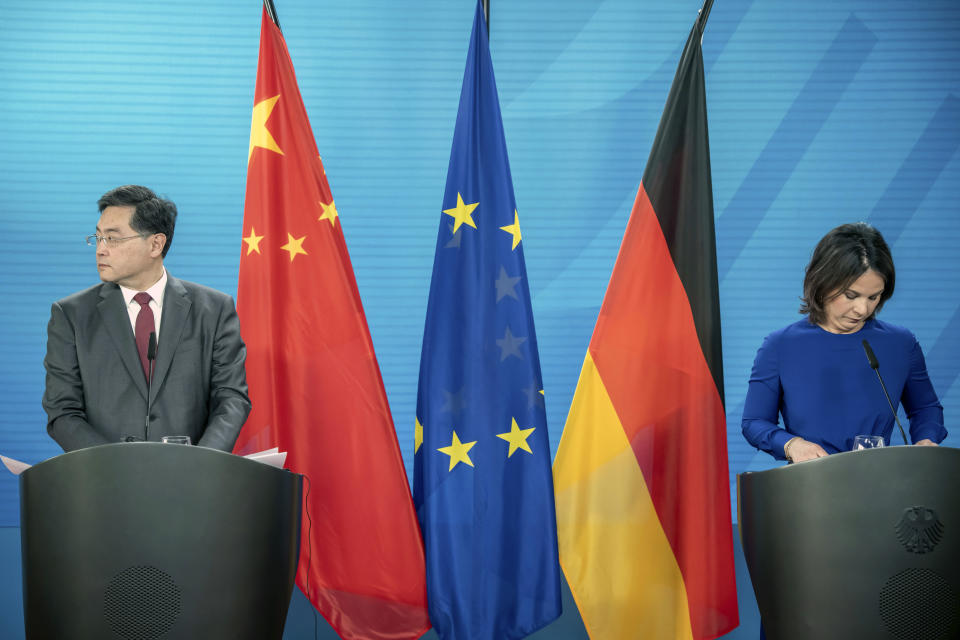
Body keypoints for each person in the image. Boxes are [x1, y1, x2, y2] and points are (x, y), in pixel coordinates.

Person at [42, 185, 251, 452]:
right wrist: (112, 466)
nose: (100, 250)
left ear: (155, 244)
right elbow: (62, 410)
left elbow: (231, 398)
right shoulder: (71, 315)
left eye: (113, 239)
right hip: (106, 484)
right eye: (97, 237)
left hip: (191, 481)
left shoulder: (214, 310)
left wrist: (203, 463)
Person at [741, 222, 946, 463]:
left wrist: (926, 439)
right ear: (824, 281)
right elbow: (754, 422)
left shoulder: (900, 343)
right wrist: (791, 444)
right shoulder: (781, 346)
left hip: (880, 483)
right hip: (810, 485)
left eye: (873, 297)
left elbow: (925, 408)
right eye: (851, 295)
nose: (862, 309)